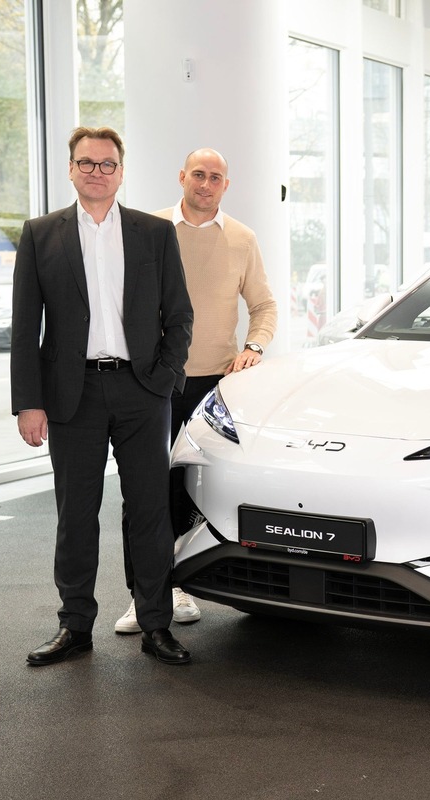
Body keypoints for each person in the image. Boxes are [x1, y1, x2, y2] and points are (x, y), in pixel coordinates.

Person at [12, 126, 195, 666]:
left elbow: (179, 315)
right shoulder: (40, 234)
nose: (97, 171)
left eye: (107, 163)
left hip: (142, 391)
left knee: (149, 512)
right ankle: (74, 626)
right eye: (87, 163)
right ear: (71, 169)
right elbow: (25, 327)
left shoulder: (154, 233)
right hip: (72, 394)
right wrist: (29, 401)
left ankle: (156, 624)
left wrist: (164, 378)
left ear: (121, 171)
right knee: (76, 515)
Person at [112, 147, 278, 634]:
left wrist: (254, 346)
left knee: (190, 491)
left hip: (211, 385)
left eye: (216, 177)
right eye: (199, 174)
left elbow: (264, 306)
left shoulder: (242, 238)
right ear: (182, 177)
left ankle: (177, 585)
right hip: (150, 381)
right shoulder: (149, 230)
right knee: (142, 490)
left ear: (226, 185)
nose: (206, 184)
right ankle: (142, 596)